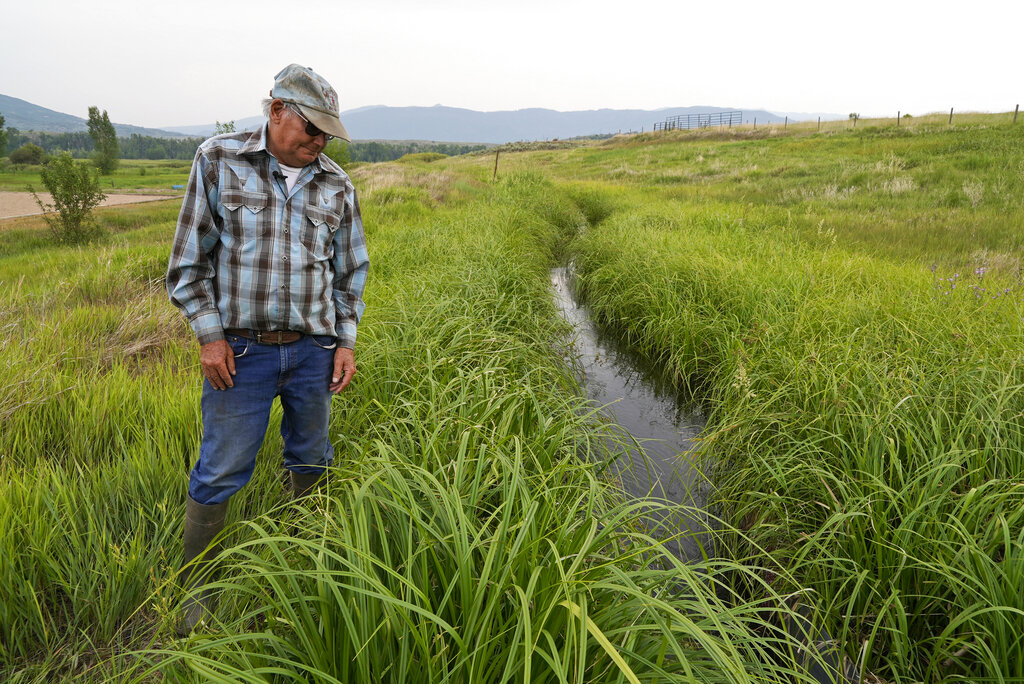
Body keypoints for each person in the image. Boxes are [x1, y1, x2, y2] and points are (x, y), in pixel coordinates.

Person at [165, 64, 369, 634]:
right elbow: (187, 264)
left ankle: (303, 560)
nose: (319, 141)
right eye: (310, 127)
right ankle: (197, 590)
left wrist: (344, 342)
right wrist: (209, 336)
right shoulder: (218, 160)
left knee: (311, 456)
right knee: (222, 467)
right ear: (276, 110)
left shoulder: (337, 186)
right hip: (241, 354)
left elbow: (350, 274)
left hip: (313, 352)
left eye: (327, 133)